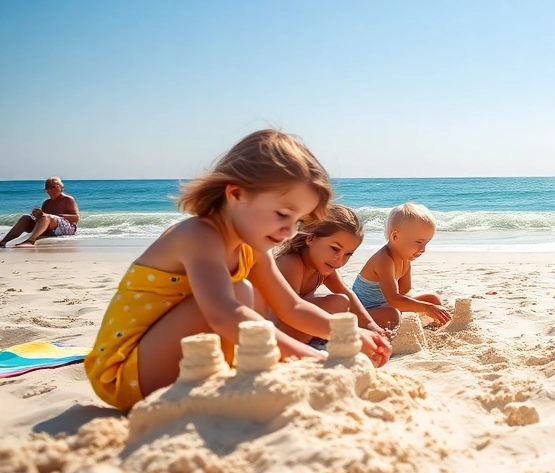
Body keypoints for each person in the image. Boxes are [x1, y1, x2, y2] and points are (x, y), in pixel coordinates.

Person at [84, 130, 389, 410]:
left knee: (246, 292)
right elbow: (223, 315)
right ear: (236, 194)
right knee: (238, 293)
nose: (287, 230)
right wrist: (311, 358)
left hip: (189, 362)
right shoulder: (198, 236)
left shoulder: (251, 249)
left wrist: (352, 333)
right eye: (282, 214)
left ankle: (232, 378)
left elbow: (293, 307)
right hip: (127, 371)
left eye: (297, 221)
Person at [271, 204, 391, 363]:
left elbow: (347, 291)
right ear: (310, 238)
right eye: (335, 249)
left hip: (304, 327)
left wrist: (371, 325)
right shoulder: (292, 263)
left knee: (388, 314)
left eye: (348, 254)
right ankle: (314, 343)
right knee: (338, 302)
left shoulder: (323, 266)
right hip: (278, 332)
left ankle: (322, 339)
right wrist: (348, 332)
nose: (340, 260)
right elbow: (288, 311)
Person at [350, 202, 451, 332]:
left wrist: (427, 305)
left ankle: (429, 329)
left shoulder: (405, 258)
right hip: (365, 311)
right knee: (393, 315)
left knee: (432, 299)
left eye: (426, 243)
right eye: (418, 242)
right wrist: (425, 308)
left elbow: (406, 292)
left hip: (388, 306)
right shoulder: (384, 260)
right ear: (395, 236)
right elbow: (394, 300)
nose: (423, 249)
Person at [1, 177, 80, 247]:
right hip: (49, 229)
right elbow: (43, 219)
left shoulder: (68, 199)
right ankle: (3, 241)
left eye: (52, 188)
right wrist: (37, 215)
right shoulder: (47, 203)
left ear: (59, 187)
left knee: (46, 216)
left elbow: (76, 218)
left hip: (67, 229)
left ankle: (31, 240)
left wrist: (54, 216)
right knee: (25, 218)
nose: (49, 191)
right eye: (47, 190)